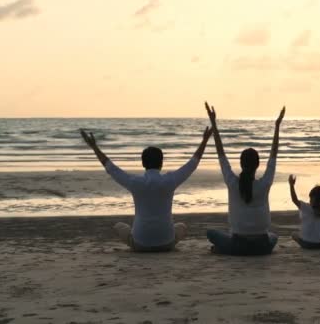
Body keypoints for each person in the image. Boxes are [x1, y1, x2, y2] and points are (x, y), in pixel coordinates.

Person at [80, 126, 213, 252]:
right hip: (167, 243)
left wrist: (94, 147)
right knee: (181, 227)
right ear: (161, 163)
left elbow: (111, 168)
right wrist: (205, 140)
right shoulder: (169, 180)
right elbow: (192, 164)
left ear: (143, 163)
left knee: (119, 226)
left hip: (140, 243)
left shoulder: (135, 182)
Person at [205, 102, 285, 255]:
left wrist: (214, 123)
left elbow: (221, 154)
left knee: (210, 233)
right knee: (273, 236)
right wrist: (277, 126)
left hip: (238, 245)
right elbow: (273, 156)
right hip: (262, 246)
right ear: (257, 165)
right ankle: (226, 248)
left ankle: (223, 249)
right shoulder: (265, 183)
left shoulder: (232, 182)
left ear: (241, 164)